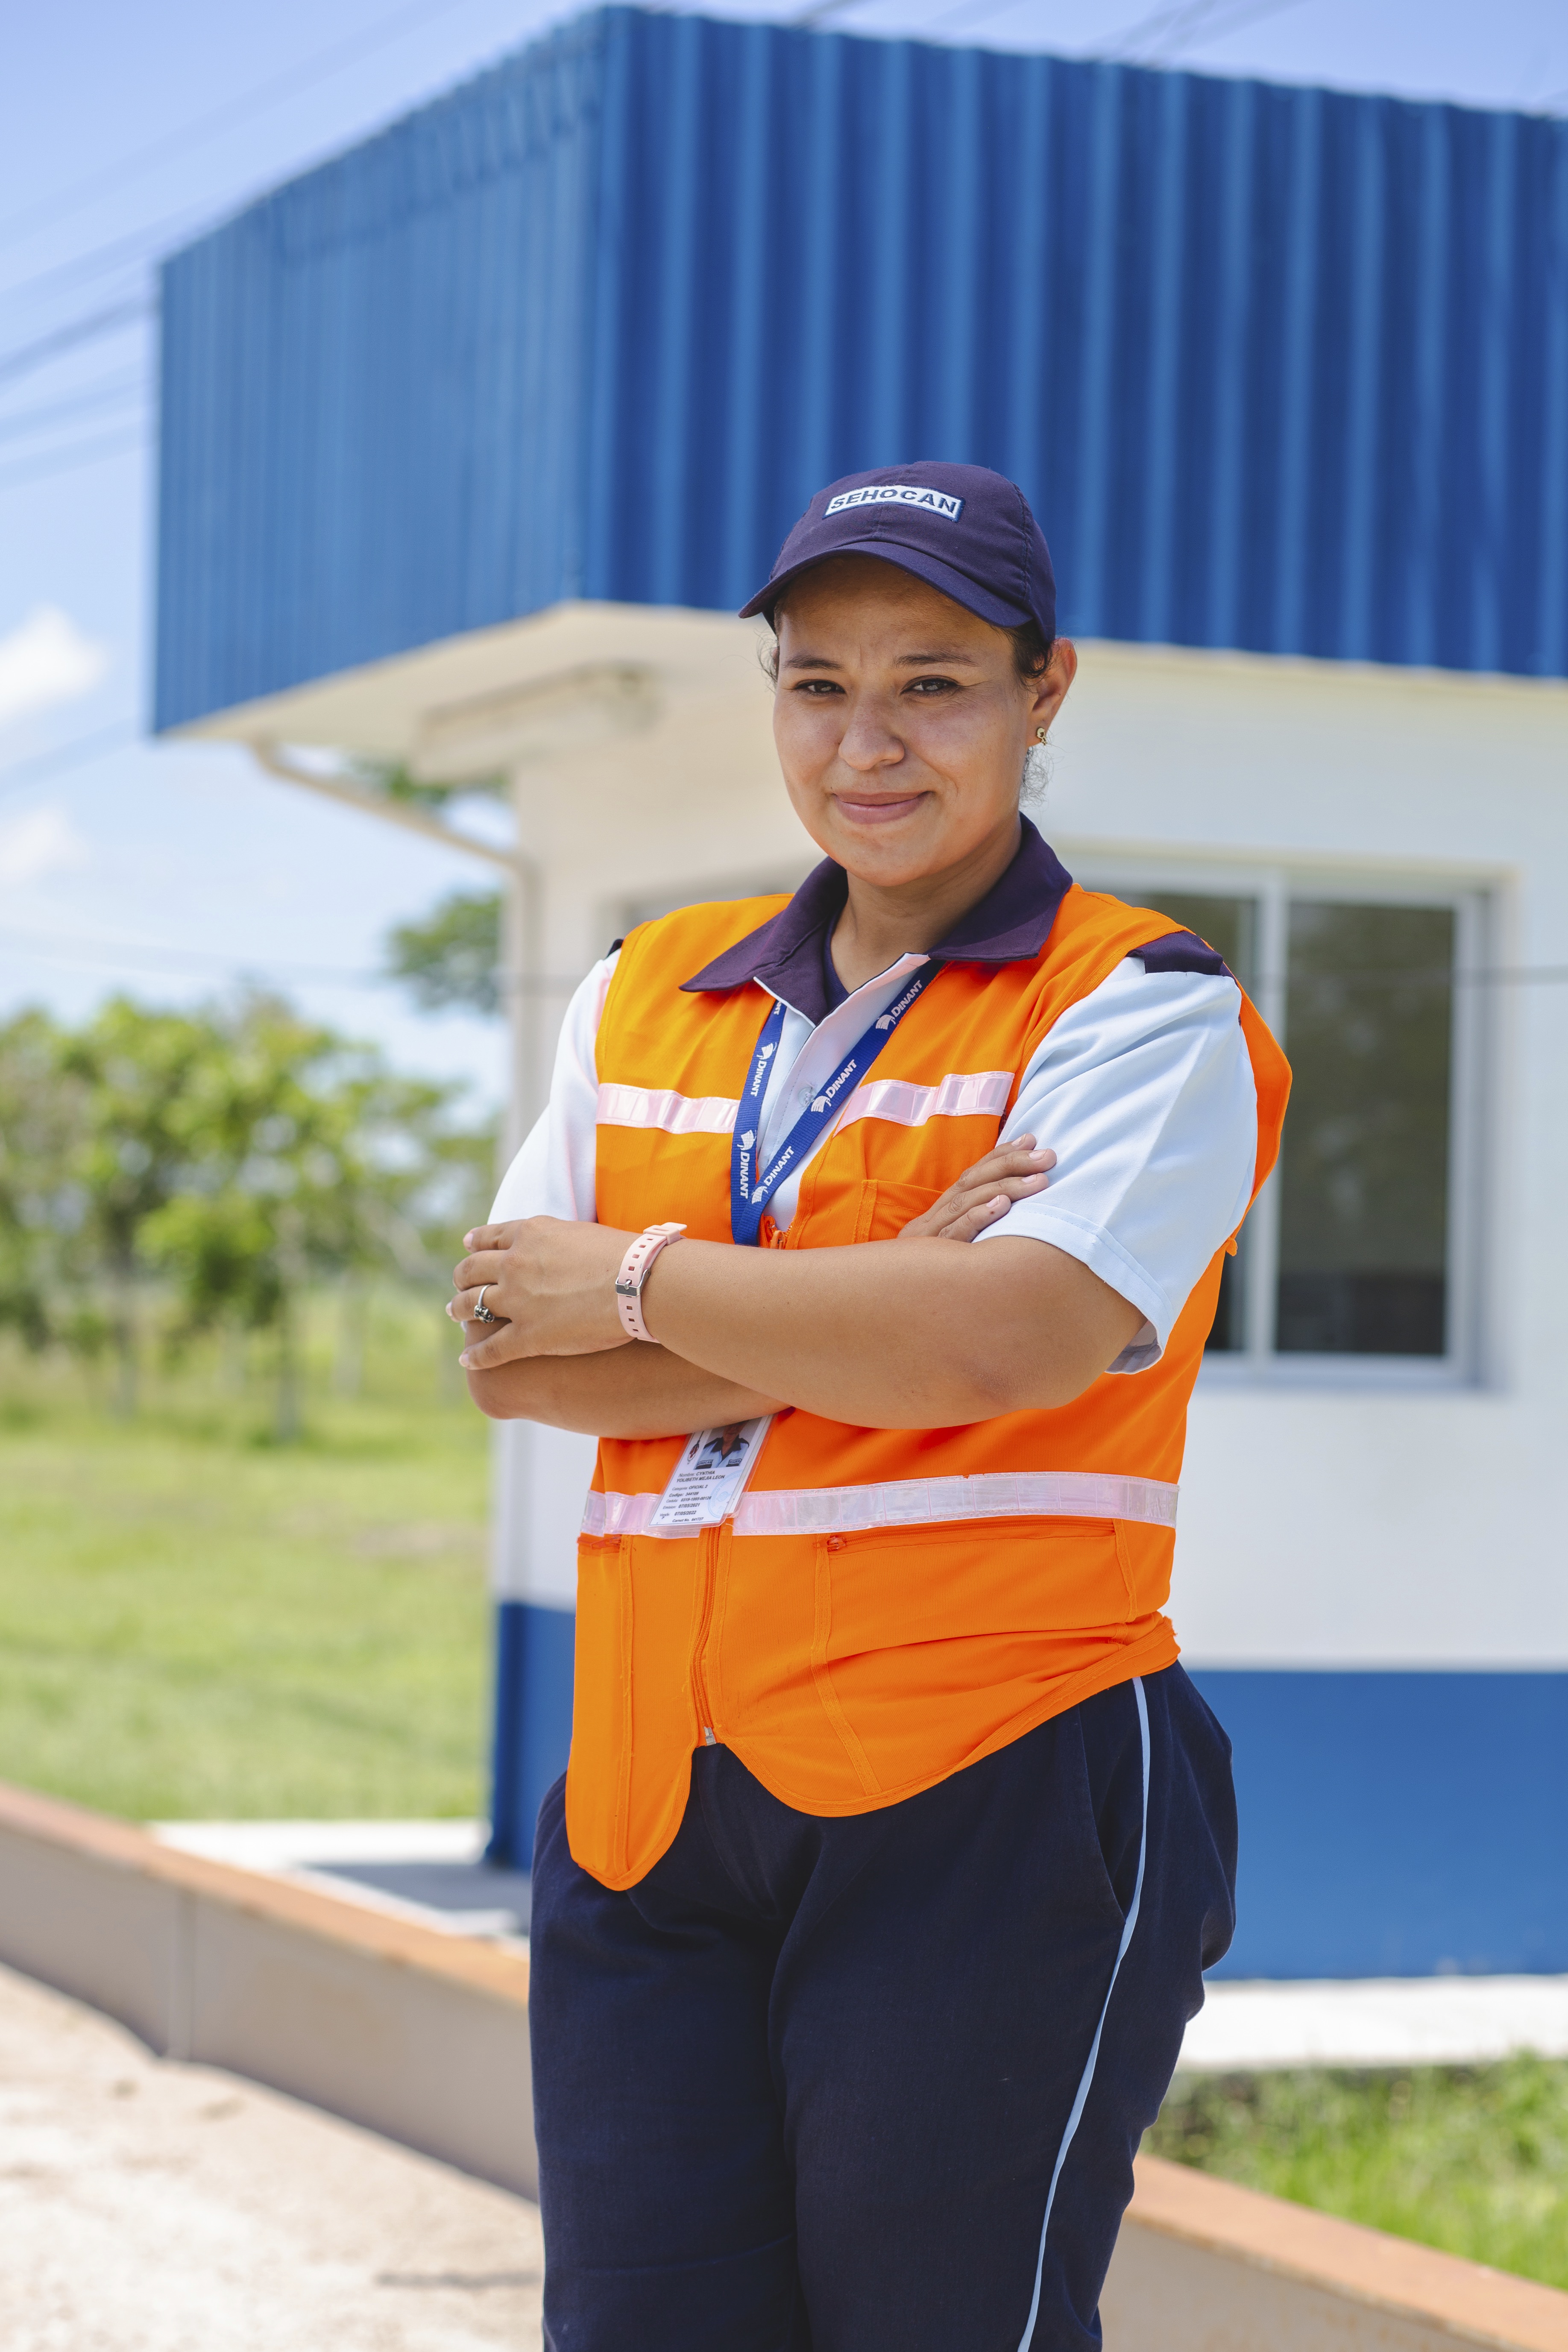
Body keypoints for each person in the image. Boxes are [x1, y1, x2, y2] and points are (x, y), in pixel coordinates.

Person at [449, 461, 1290, 2352]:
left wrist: (649, 1280)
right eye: (818, 683)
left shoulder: (1144, 1009)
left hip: (994, 1782)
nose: (867, 740)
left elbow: (1009, 1345)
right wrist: (894, 1272)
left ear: (1043, 690)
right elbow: (516, 1346)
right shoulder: (644, 990)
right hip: (656, 1800)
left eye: (933, 681)